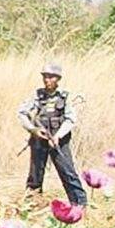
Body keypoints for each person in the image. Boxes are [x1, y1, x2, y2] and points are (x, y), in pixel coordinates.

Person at [16, 63, 88, 206]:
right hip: (39, 139)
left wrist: (58, 135)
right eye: (45, 77)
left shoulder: (65, 96)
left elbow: (70, 119)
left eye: (50, 77)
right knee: (35, 173)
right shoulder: (37, 95)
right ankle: (31, 205)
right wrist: (33, 129)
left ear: (58, 79)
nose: (47, 80)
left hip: (59, 140)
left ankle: (80, 203)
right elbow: (22, 112)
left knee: (67, 171)